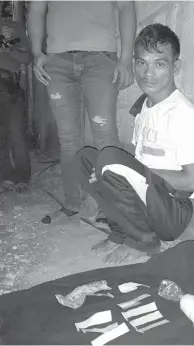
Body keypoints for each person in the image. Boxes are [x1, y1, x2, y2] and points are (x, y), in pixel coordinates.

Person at [75, 23, 194, 265]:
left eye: (159, 63)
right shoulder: (144, 106)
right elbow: (137, 165)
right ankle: (121, 231)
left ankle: (144, 240)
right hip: (147, 197)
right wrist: (111, 173)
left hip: (171, 210)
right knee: (86, 159)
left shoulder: (182, 114)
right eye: (141, 62)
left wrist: (142, 172)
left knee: (109, 161)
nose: (148, 73)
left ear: (175, 67)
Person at [27, 1, 136, 223]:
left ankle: (111, 205)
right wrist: (37, 52)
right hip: (57, 62)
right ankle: (73, 203)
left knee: (106, 136)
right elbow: (36, 9)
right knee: (68, 139)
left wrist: (126, 58)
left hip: (101, 58)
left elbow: (126, 6)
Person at [0, 0, 31, 192]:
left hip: (9, 84)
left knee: (16, 134)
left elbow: (26, 58)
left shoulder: (13, 27)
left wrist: (7, 48)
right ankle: (5, 175)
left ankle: (22, 175)